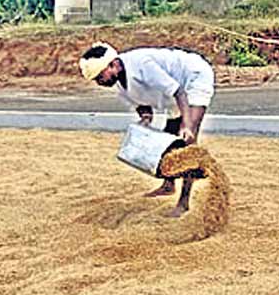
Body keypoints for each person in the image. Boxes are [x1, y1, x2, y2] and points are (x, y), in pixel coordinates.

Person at [80, 43, 215, 217]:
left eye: (100, 76)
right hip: (174, 89)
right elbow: (142, 105)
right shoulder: (119, 84)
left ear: (114, 64)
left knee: (187, 139)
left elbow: (179, 92)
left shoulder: (142, 65)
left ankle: (184, 202)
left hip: (193, 75)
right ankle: (168, 185)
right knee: (169, 135)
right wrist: (145, 118)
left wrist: (187, 125)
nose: (99, 82)